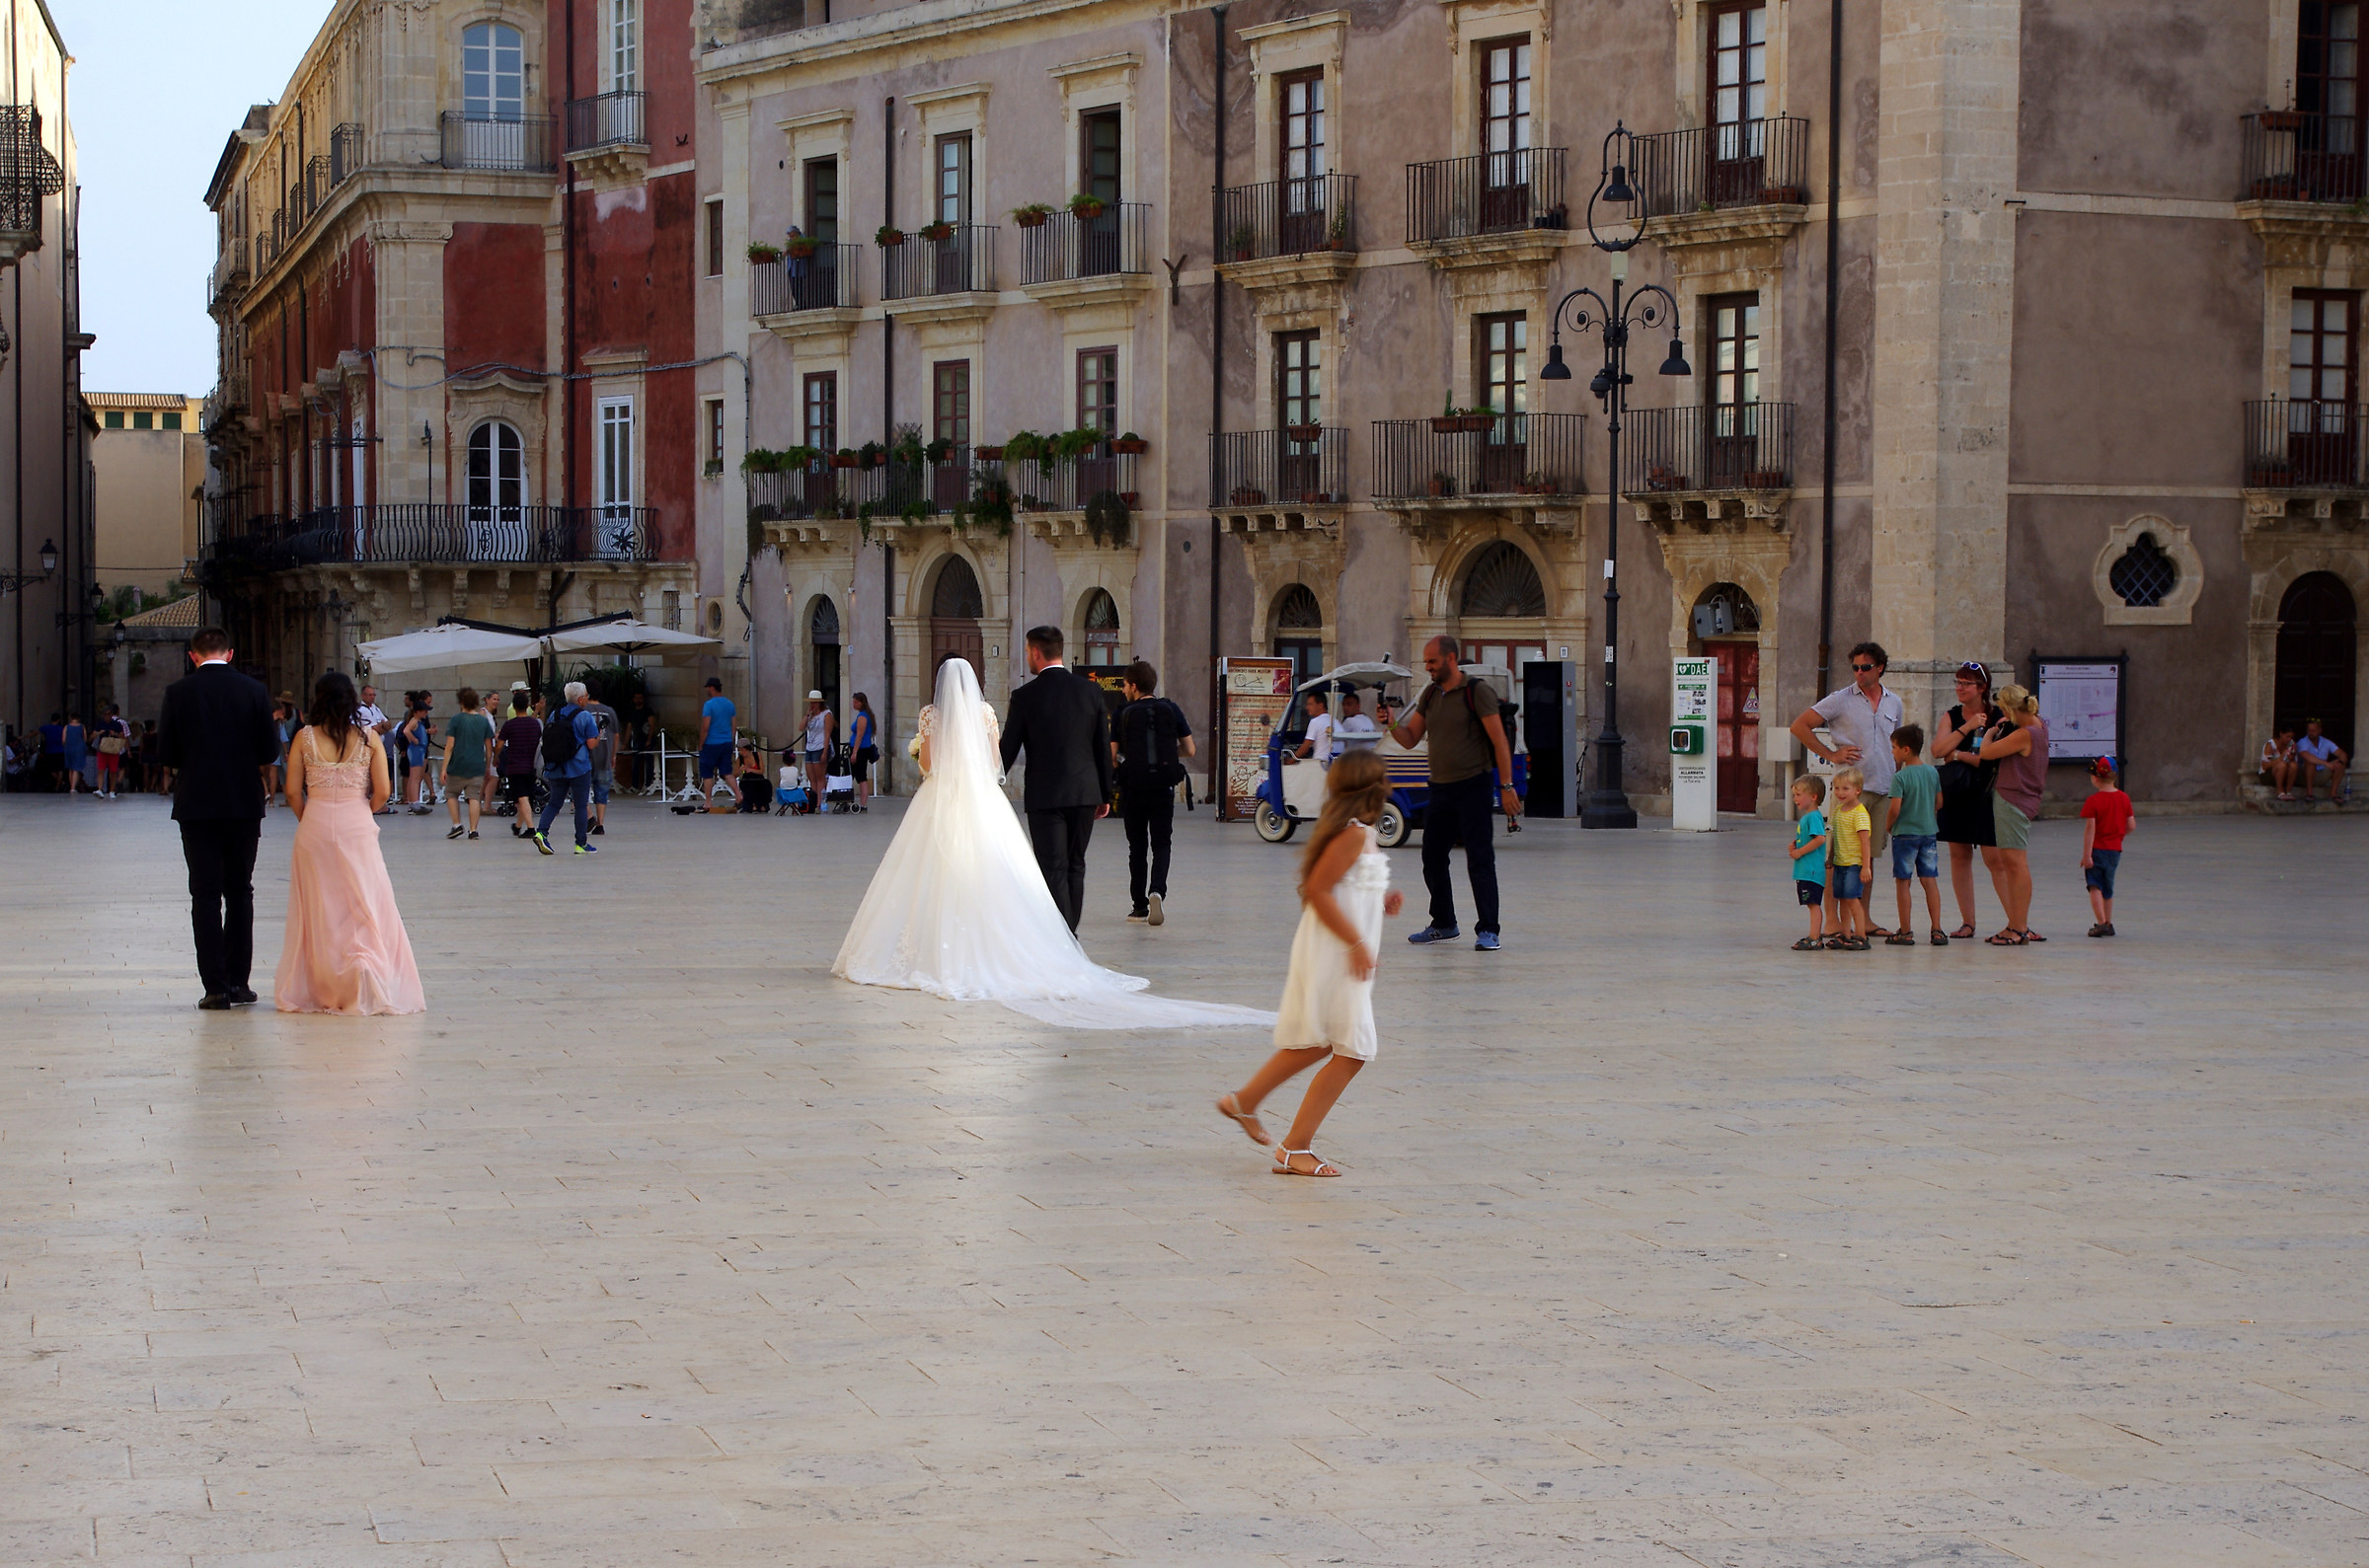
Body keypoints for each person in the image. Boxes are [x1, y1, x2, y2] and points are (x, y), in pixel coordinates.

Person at [834, 656, 1269, 1030]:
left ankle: (949, 944)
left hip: (944, 798)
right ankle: (1066, 931)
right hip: (993, 800)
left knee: (935, 867)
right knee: (1025, 866)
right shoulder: (987, 712)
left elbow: (929, 764)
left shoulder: (932, 714)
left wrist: (922, 753)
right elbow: (994, 762)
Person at [1214, 751, 1404, 1177]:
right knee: (1352, 1049)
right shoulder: (1353, 834)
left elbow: (1347, 887)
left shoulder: (1360, 833)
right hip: (1336, 949)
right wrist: (1356, 943)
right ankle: (1295, 1147)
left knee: (1323, 1039)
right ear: (1373, 789)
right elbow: (1316, 890)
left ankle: (1243, 1102)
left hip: (1338, 946)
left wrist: (1382, 900)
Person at [275, 672, 426, 1015]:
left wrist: (310, 817)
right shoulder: (369, 737)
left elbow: (292, 790)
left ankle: (326, 983)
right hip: (356, 822)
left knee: (319, 908)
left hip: (314, 824)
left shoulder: (304, 736)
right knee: (365, 902)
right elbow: (385, 792)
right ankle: (365, 972)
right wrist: (360, 811)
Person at [155, 627, 281, 1009]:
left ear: (193, 656)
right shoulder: (254, 691)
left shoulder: (178, 693)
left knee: (205, 894)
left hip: (197, 804)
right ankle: (239, 982)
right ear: (229, 653)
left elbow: (167, 753)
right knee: (240, 890)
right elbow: (268, 748)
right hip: (243, 802)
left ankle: (214, 987)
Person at [1390, 635, 1518, 952]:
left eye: (1432, 661)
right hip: (1441, 789)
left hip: (1473, 785)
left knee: (1479, 859)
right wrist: (1391, 724)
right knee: (1432, 856)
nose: (1428, 667)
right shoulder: (1431, 694)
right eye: (1426, 662)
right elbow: (1410, 738)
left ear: (1450, 659)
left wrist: (1507, 786)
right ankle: (1444, 923)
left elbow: (1500, 741)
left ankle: (1488, 929)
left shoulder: (1477, 692)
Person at [999, 626, 1114, 933]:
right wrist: (1105, 793)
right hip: (1084, 793)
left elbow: (1006, 751)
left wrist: (987, 782)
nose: (1027, 657)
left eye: (1027, 651)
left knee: (1053, 868)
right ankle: (1070, 933)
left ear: (1036, 652)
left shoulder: (1025, 697)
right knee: (1076, 866)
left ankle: (1064, 939)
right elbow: (1102, 747)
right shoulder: (1090, 691)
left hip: (1045, 796)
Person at [1791, 642, 1905, 935]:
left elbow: (1897, 745)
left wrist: (1898, 779)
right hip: (1849, 790)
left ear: (1880, 667)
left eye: (1865, 667)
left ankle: (1862, 919)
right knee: (1837, 856)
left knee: (1866, 857)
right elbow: (1800, 726)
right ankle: (1832, 920)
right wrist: (1831, 755)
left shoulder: (1894, 702)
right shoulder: (1841, 699)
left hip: (1882, 788)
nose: (1859, 673)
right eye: (1855, 667)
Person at [1112, 659, 1195, 926]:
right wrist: (1168, 753)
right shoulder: (1171, 709)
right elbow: (1190, 750)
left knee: (1136, 847)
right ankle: (1157, 890)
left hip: (1133, 788)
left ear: (1134, 686)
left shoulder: (1122, 713)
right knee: (1162, 843)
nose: (1123, 690)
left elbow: (1113, 756)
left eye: (1125, 685)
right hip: (1163, 787)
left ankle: (1139, 907)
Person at [1932, 662, 2004, 939]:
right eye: (1958, 682)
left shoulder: (1998, 716)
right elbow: (1938, 749)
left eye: (1966, 683)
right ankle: (1968, 922)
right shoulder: (1952, 716)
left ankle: (2016, 921)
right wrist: (1969, 727)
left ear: (1982, 688)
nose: (1960, 688)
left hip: (1986, 793)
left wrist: (1959, 755)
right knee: (1959, 856)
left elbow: (1991, 759)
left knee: (1994, 859)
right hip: (1957, 793)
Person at [1979, 683, 2050, 946]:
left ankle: (2018, 927)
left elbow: (1986, 753)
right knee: (2013, 863)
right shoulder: (2040, 726)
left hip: (2013, 799)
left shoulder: (2025, 734)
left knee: (2015, 863)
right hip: (2027, 798)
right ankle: (2015, 924)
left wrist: (1991, 732)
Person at [1883, 724, 1948, 946]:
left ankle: (1906, 931)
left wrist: (1888, 826)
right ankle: (1937, 929)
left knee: (1903, 882)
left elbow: (1895, 808)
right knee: (1930, 881)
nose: (1892, 751)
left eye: (1894, 747)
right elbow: (1939, 802)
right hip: (1928, 833)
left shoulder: (1900, 778)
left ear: (1906, 750)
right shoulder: (1932, 772)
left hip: (1904, 835)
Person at [531, 681, 602, 855]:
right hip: (579, 767)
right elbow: (592, 743)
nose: (587, 698)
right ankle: (581, 843)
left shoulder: (555, 714)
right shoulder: (585, 716)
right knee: (580, 805)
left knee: (554, 802)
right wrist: (599, 733)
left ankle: (541, 833)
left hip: (556, 766)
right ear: (579, 699)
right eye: (585, 695)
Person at [2080, 755, 2133, 937]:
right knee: (2108, 888)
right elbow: (2131, 825)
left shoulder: (2093, 801)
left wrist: (2087, 855)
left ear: (2095, 778)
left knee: (2094, 885)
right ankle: (2109, 922)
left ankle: (2101, 922)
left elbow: (2090, 830)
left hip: (2097, 850)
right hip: (2115, 850)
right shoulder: (2124, 798)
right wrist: (2118, 837)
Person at [440, 687, 497, 840]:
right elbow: (488, 747)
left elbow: (450, 746)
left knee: (451, 793)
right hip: (477, 765)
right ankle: (473, 830)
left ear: (461, 702)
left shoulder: (456, 720)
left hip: (457, 764)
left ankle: (457, 824)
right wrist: (487, 765)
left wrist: (444, 768)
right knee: (474, 797)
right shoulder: (482, 721)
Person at [1825, 766, 1872, 949]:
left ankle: (1861, 935)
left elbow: (1865, 841)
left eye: (1846, 788)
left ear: (1857, 790)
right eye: (1837, 788)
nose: (1840, 793)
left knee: (1853, 899)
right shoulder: (1838, 812)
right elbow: (1834, 835)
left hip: (1854, 864)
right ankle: (1846, 934)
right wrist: (1830, 857)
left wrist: (1865, 866)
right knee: (1842, 898)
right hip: (1839, 863)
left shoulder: (1859, 813)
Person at [1788, 775, 1829, 951]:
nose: (1795, 799)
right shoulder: (1808, 818)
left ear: (1813, 797)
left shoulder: (1812, 817)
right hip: (1805, 870)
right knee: (1811, 903)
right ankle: (1814, 936)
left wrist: (1800, 852)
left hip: (1811, 871)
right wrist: (1796, 845)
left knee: (1813, 904)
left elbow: (1820, 839)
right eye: (1794, 795)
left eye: (1798, 794)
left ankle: (1815, 937)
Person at [497, 693, 543, 835]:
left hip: (515, 766)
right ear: (527, 706)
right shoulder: (535, 724)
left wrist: (495, 757)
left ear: (514, 707)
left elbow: (499, 745)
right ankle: (517, 826)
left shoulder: (510, 725)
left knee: (522, 798)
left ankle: (530, 828)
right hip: (531, 765)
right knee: (525, 798)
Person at [696, 676, 735, 811]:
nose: (706, 689)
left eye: (707, 687)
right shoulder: (730, 704)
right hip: (726, 742)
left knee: (707, 773)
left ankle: (708, 802)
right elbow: (734, 726)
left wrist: (701, 743)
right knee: (726, 771)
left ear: (711, 688)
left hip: (711, 742)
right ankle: (739, 795)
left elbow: (705, 727)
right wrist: (730, 740)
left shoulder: (709, 705)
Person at [584, 690, 620, 836]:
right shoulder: (609, 711)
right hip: (605, 756)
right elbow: (616, 735)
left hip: (586, 757)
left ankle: (589, 816)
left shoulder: (584, 710)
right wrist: (613, 755)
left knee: (580, 789)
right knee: (602, 791)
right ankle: (600, 823)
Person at [398, 692, 436, 814]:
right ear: (418, 711)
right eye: (424, 711)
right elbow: (406, 731)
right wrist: (413, 740)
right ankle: (415, 803)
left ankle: (413, 801)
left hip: (419, 750)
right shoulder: (414, 721)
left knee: (415, 777)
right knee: (415, 777)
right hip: (416, 750)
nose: (426, 713)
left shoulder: (418, 722)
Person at [2295, 717, 2349, 802]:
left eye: (2313, 730)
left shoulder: (2326, 742)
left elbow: (2342, 754)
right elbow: (2307, 756)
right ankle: (2309, 793)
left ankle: (2333, 793)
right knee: (2310, 763)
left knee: (2340, 765)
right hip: (2304, 777)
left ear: (2319, 730)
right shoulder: (2302, 742)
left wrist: (2340, 761)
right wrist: (2326, 764)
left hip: (2321, 774)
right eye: (2309, 730)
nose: (2311, 733)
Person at [800, 690, 835, 811]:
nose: (812, 705)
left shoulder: (826, 714)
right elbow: (801, 728)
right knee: (811, 776)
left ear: (819, 703)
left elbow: (827, 734)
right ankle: (813, 802)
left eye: (815, 702)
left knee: (820, 776)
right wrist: (807, 715)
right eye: (811, 702)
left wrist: (825, 752)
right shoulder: (810, 716)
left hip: (820, 747)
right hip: (810, 747)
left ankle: (820, 803)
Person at [848, 692, 879, 811]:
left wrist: (854, 752)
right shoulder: (866, 715)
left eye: (856, 702)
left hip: (861, 748)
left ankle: (863, 803)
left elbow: (859, 735)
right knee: (861, 776)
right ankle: (862, 803)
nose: (854, 704)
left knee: (860, 776)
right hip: (863, 747)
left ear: (861, 702)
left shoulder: (862, 717)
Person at [623, 689, 657, 790]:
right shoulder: (632, 712)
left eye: (640, 698)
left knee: (649, 763)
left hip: (647, 740)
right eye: (636, 698)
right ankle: (635, 785)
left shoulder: (648, 711)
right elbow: (629, 728)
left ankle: (648, 784)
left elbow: (652, 725)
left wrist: (649, 739)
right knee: (635, 763)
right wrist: (625, 743)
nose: (638, 700)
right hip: (637, 740)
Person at [92, 704, 128, 798]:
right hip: (102, 750)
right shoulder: (100, 724)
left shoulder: (117, 725)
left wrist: (115, 733)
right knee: (101, 770)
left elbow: (123, 737)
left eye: (108, 714)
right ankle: (100, 789)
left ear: (111, 715)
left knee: (113, 771)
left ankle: (112, 790)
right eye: (105, 714)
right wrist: (98, 733)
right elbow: (91, 737)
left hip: (113, 750)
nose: (107, 716)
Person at [1291, 689, 1335, 765]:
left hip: (1321, 765)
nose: (1306, 707)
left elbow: (1305, 748)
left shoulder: (1315, 722)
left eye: (1310, 704)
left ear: (1320, 705)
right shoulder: (1335, 721)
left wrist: (1291, 760)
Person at [2259, 726, 2299, 800]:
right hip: (2268, 774)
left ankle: (2288, 791)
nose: (2289, 739)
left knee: (2294, 765)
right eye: (2287, 736)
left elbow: (2293, 762)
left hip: (2285, 774)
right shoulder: (2271, 745)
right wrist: (2280, 758)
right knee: (2282, 765)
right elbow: (2264, 766)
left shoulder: (2292, 744)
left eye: (2291, 737)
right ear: (2281, 734)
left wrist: (2291, 758)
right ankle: (2280, 792)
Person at [736, 738, 771, 812]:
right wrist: (741, 770)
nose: (740, 752)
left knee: (766, 784)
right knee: (749, 786)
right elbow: (734, 775)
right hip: (747, 779)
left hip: (758, 778)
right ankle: (754, 805)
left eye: (741, 750)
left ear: (747, 749)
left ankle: (761, 804)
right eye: (739, 750)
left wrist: (751, 770)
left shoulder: (757, 755)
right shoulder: (740, 759)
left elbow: (762, 771)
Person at [60, 711, 87, 795]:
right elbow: (85, 738)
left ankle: (72, 786)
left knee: (70, 768)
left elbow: (63, 739)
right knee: (76, 768)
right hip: (79, 748)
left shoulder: (66, 727)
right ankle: (73, 788)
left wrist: (66, 745)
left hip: (69, 748)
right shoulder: (82, 727)